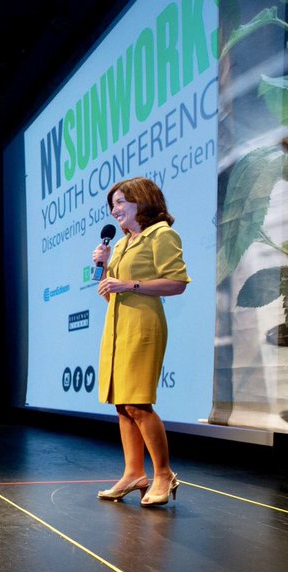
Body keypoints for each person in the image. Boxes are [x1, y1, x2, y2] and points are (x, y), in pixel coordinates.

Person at [91, 177, 190, 506]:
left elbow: (177, 283)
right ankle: (133, 473)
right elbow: (111, 295)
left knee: (138, 403)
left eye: (120, 202)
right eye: (112, 205)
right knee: (122, 404)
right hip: (118, 328)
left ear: (142, 200)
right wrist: (104, 270)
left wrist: (128, 284)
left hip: (144, 327)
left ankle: (163, 474)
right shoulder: (120, 245)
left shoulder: (161, 234)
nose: (114, 210)